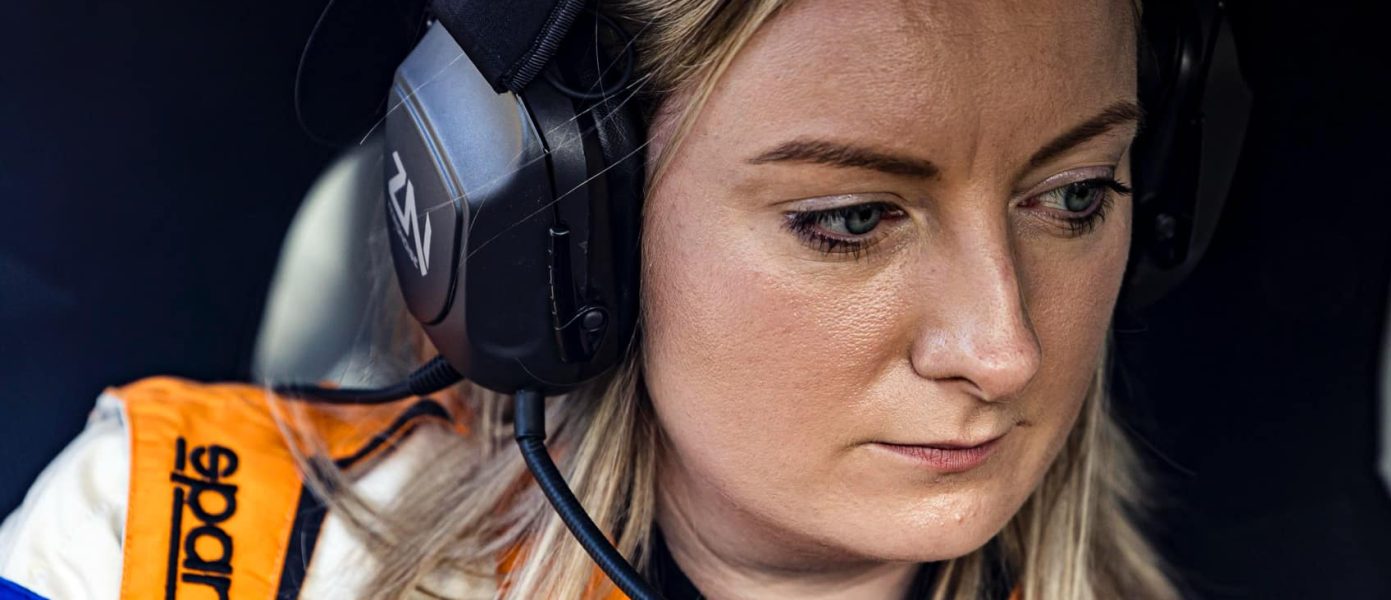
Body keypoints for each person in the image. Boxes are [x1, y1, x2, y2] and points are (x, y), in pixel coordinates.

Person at [0, 0, 1176, 597]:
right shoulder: (172, 541)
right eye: (852, 220)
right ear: (562, 228)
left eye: (1074, 196)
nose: (1003, 348)